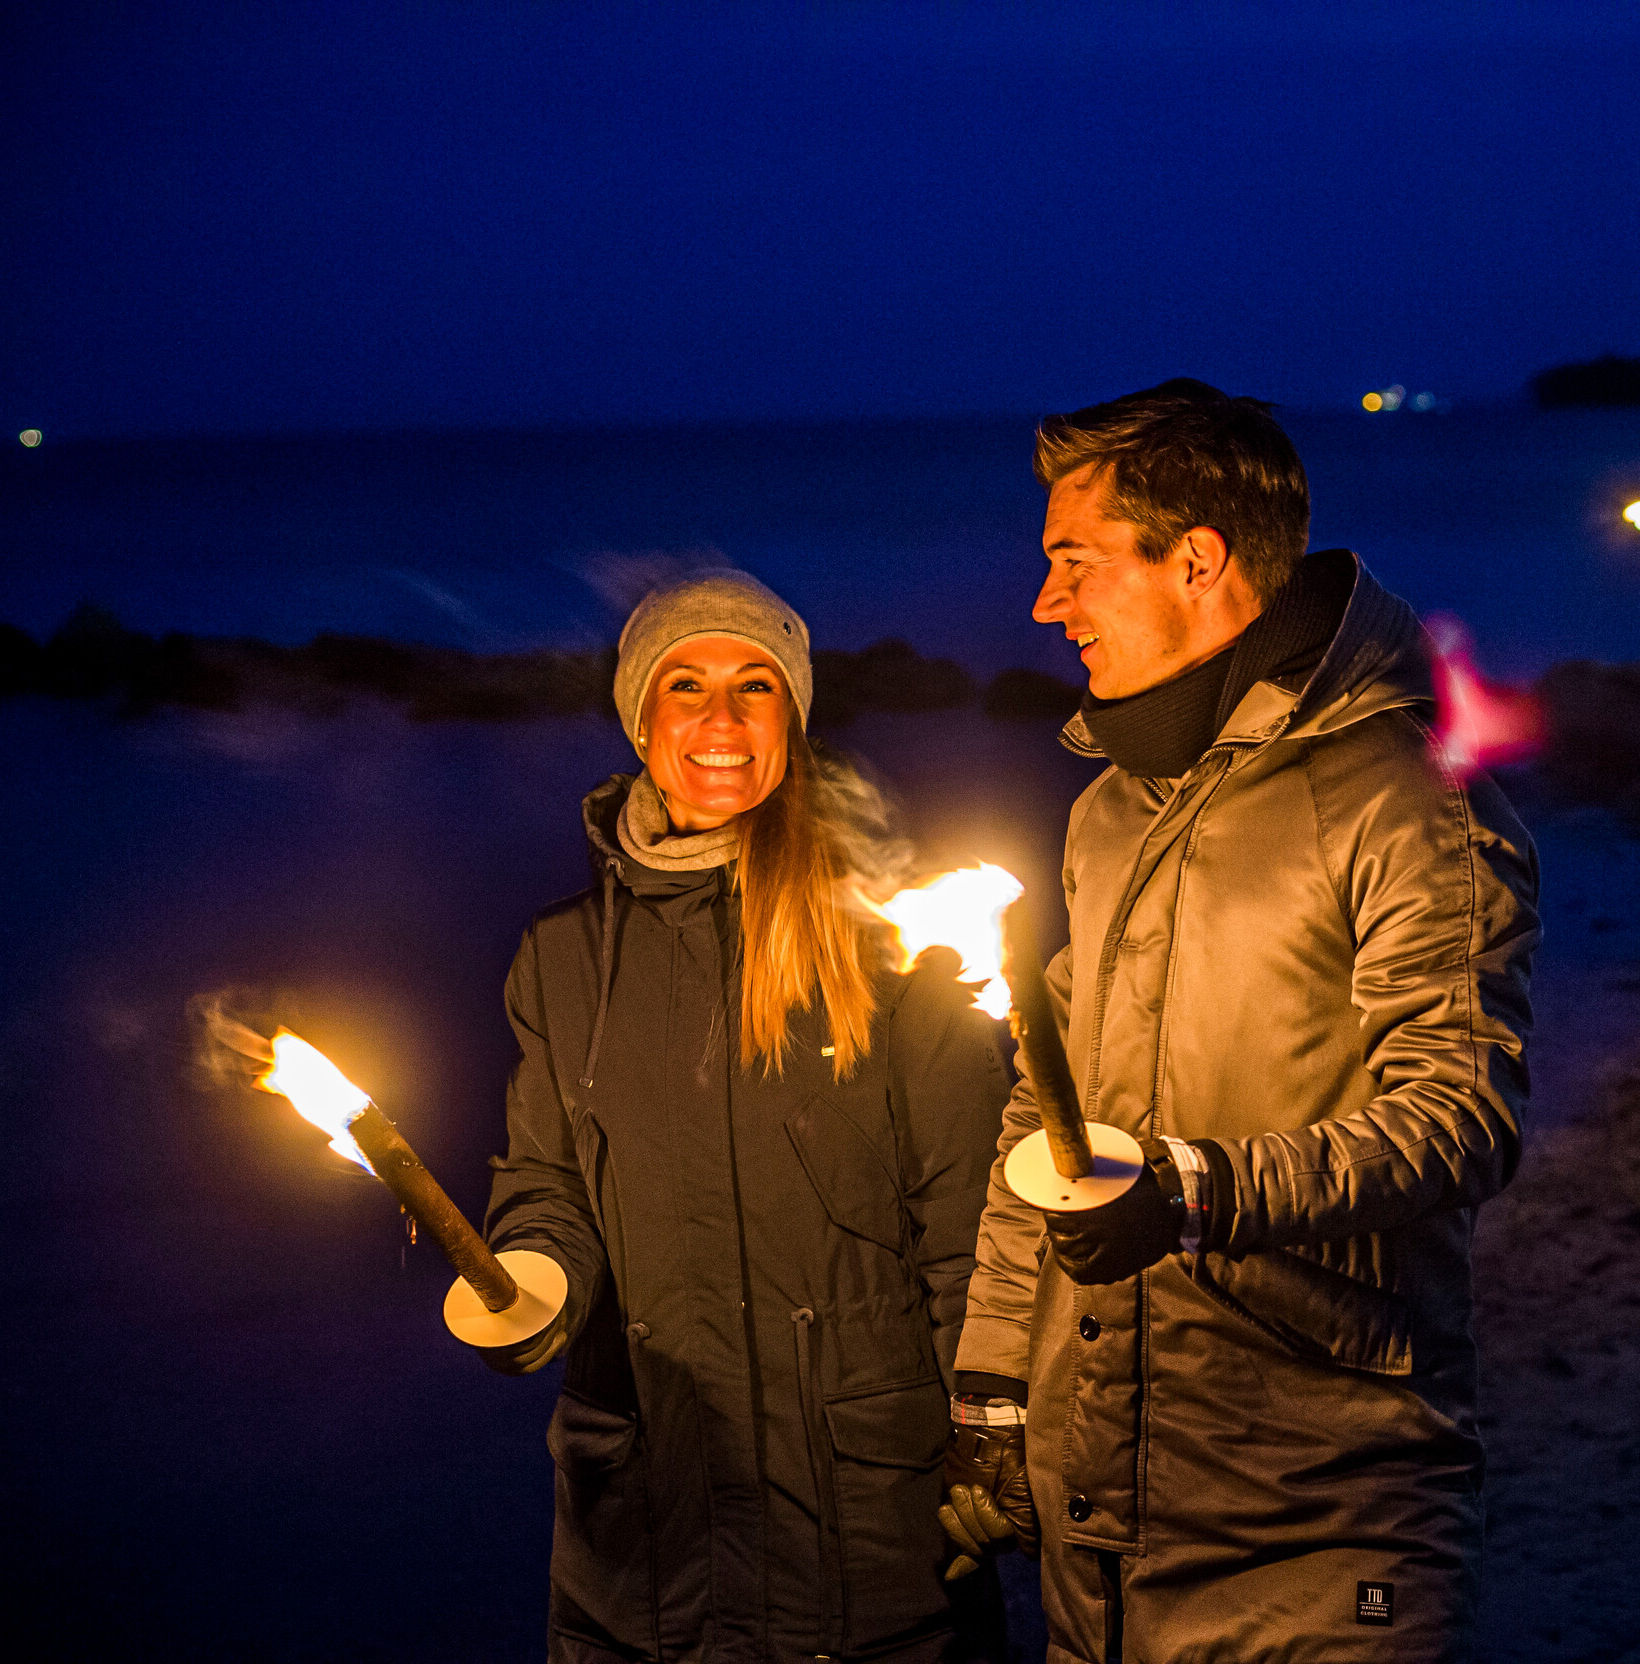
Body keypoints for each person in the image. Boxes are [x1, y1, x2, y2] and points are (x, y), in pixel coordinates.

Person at [934, 380, 1540, 1661]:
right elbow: (1043, 1112)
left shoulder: (1406, 800)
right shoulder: (1108, 812)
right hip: (1099, 1518)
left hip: (1323, 1520)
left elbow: (1461, 1116)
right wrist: (995, 1378)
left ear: (1197, 559)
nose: (1046, 604)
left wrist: (1196, 1187)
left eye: (1075, 563)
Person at [476, 568, 1015, 1662]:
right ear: (639, 716)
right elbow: (546, 1183)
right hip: (640, 1546)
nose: (720, 719)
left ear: (793, 718)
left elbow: (978, 1226)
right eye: (685, 684)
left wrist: (994, 1439)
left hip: (868, 1547)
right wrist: (532, 1275)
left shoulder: (896, 948)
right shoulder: (561, 959)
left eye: (755, 685)